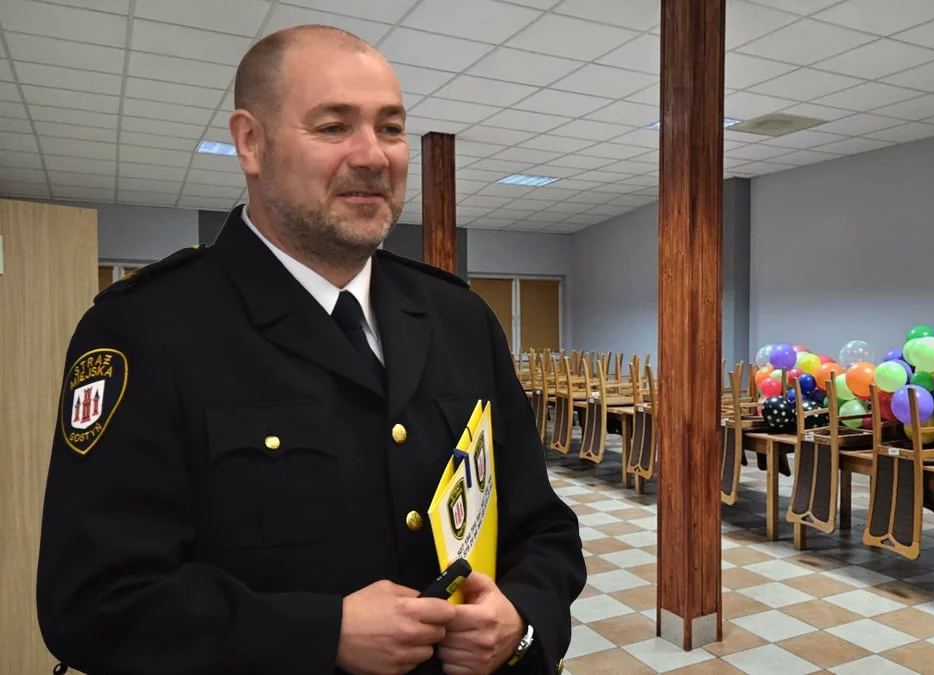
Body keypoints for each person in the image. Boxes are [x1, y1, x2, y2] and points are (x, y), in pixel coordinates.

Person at [36, 24, 585, 675]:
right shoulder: (146, 329)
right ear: (251, 143)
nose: (373, 155)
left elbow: (544, 528)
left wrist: (521, 620)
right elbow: (95, 603)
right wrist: (323, 634)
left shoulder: (460, 318)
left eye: (390, 128)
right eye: (333, 127)